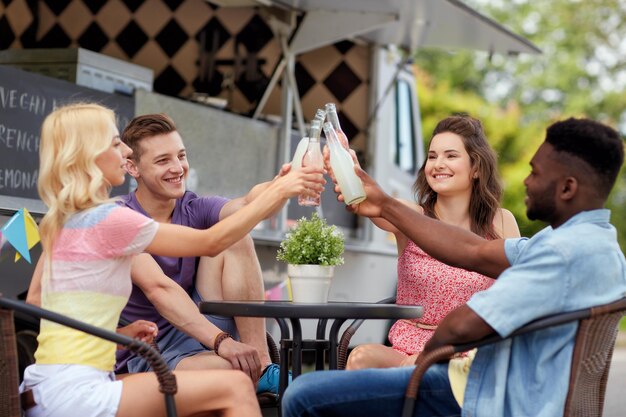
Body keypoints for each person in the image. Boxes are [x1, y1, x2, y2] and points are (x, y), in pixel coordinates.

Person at [282, 117, 626, 417]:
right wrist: (384, 202)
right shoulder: (597, 245)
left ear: (567, 187)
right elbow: (474, 252)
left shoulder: (558, 253)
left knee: (302, 395)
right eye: (433, 155)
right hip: (493, 379)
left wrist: (423, 361)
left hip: (484, 390)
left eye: (535, 173)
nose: (526, 181)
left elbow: (463, 325)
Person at [21, 102, 324, 417]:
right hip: (78, 393)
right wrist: (282, 191)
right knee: (234, 385)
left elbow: (38, 300)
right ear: (88, 156)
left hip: (48, 386)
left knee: (229, 385)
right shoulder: (111, 218)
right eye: (114, 143)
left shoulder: (68, 219)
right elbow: (211, 242)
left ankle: (262, 367)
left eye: (180, 155)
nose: (124, 151)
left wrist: (118, 336)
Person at [113, 113, 292, 393]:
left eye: (181, 156)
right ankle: (254, 373)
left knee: (235, 232)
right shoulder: (121, 217)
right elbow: (160, 290)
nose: (177, 167)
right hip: (152, 346)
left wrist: (281, 186)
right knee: (235, 374)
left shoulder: (193, 207)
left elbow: (247, 204)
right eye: (163, 161)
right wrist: (222, 341)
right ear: (132, 168)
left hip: (201, 326)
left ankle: (264, 365)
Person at [346, 115, 520, 370]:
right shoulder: (410, 216)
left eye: (450, 156)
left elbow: (518, 291)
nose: (438, 164)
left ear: (476, 168)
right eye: (432, 156)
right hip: (407, 350)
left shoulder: (501, 222)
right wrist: (343, 159)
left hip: (471, 350)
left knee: (417, 367)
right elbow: (363, 201)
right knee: (361, 357)